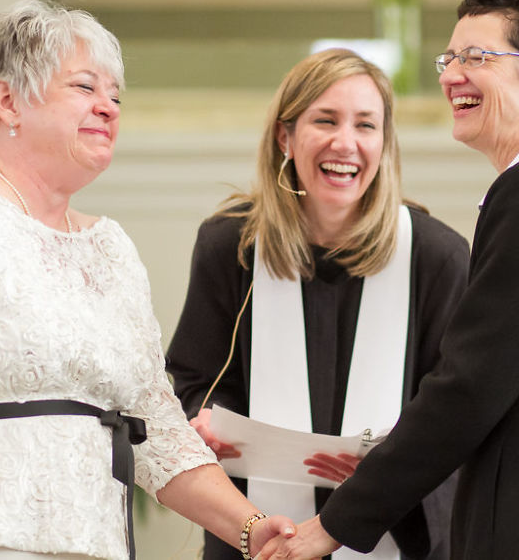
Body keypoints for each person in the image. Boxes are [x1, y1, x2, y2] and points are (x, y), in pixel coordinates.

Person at [0, 0, 295, 560]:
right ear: (8, 100)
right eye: (85, 88)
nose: (109, 108)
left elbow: (158, 431)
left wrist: (249, 526)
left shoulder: (110, 247)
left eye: (115, 95)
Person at [263, 0, 519, 560]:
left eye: (477, 58)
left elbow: (468, 388)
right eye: (450, 57)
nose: (450, 75)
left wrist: (333, 525)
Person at [165, 47, 469, 560]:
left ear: (385, 143)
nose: (344, 142)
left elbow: (457, 409)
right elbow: (197, 382)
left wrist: (391, 459)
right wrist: (208, 423)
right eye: (324, 120)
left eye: (366, 125)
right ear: (285, 136)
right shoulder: (231, 246)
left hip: (396, 534)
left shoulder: (436, 256)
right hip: (259, 531)